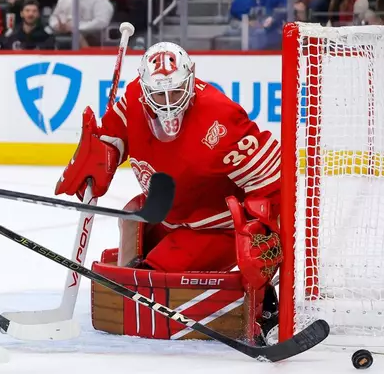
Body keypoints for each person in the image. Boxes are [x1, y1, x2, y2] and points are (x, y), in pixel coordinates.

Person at [55, 42, 282, 342]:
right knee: (131, 217)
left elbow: (272, 179)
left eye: (175, 92)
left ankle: (264, 301)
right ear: (144, 87)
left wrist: (259, 232)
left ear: (191, 79)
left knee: (152, 277)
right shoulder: (135, 96)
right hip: (170, 213)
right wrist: (103, 152)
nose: (168, 104)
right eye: (158, 94)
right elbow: (116, 131)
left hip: (215, 229)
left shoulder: (219, 120)